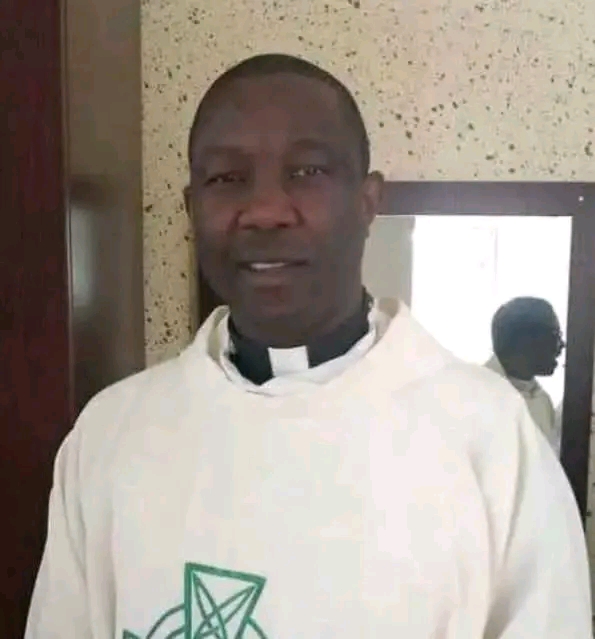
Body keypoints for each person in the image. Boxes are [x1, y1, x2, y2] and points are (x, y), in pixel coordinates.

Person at [26, 54, 591, 638]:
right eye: (226, 178)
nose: (265, 211)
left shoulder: (491, 441)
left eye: (307, 171)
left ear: (368, 201)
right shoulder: (111, 435)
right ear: (192, 208)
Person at [485, 297, 565, 454]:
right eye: (555, 334)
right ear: (525, 340)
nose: (562, 344)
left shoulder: (542, 402)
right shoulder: (473, 396)